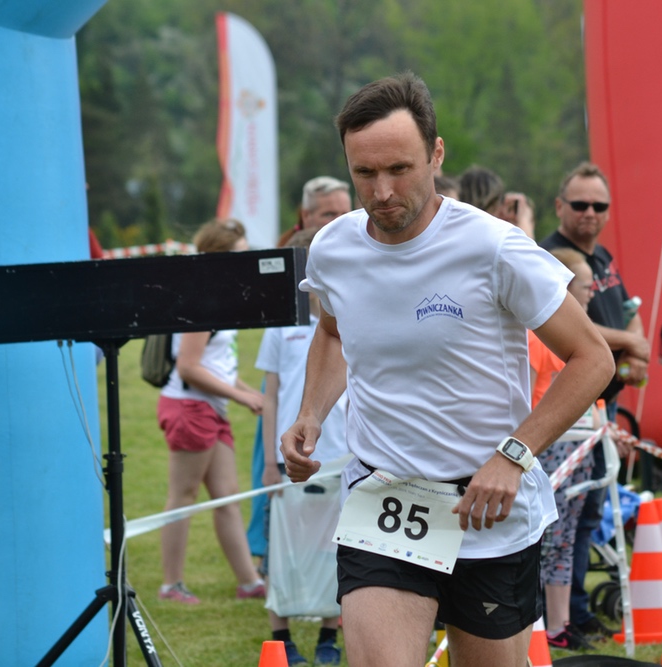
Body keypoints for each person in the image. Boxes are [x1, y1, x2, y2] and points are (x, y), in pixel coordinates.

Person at [280, 72, 614, 667]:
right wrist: (311, 413)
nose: (382, 191)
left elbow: (594, 358)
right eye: (365, 173)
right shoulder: (334, 248)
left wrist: (513, 456)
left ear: (436, 154)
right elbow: (332, 332)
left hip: (487, 508)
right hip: (384, 499)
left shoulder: (495, 247)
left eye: (399, 169)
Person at [539, 161, 648, 641]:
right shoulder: (548, 257)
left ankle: (572, 613)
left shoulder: (601, 256)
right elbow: (570, 324)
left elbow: (626, 308)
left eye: (598, 205)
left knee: (589, 514)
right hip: (567, 414)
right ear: (559, 206)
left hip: (601, 407)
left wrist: (633, 349)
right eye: (580, 204)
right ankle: (565, 616)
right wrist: (628, 342)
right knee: (565, 523)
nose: (589, 212)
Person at [156, 218, 267, 604]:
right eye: (240, 254)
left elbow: (215, 366)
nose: (247, 261)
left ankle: (250, 582)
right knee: (183, 495)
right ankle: (171, 585)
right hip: (190, 406)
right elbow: (188, 367)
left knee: (226, 495)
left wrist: (248, 392)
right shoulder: (202, 299)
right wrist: (241, 397)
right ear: (218, 257)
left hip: (209, 407)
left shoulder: (220, 296)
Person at [255, 228, 348, 666]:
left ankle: (329, 635)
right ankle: (282, 637)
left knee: (337, 548)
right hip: (291, 457)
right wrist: (270, 462)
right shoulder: (282, 327)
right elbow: (271, 396)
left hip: (341, 456)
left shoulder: (352, 320)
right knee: (284, 549)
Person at [528, 248, 600, 650]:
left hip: (580, 447)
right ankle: (534, 625)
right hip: (550, 450)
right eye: (586, 286)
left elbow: (590, 390)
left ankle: (560, 624)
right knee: (546, 538)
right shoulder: (536, 338)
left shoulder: (583, 335)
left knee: (566, 538)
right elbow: (525, 398)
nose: (592, 293)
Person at [276, 176, 353, 247]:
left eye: (345, 214)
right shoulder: (286, 254)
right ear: (306, 216)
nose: (339, 221)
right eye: (329, 214)